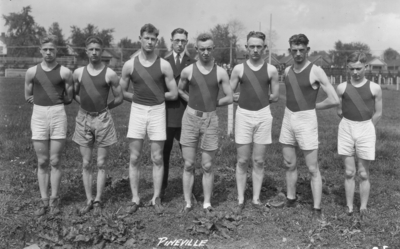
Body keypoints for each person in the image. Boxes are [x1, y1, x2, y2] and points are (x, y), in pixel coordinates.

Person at [278, 34, 339, 221]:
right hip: (288, 117)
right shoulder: (287, 70)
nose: (298, 54)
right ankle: (290, 197)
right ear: (290, 51)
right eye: (294, 50)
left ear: (308, 50)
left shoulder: (316, 70)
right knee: (289, 163)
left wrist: (313, 106)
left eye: (301, 50)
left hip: (306, 119)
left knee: (312, 168)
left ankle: (317, 207)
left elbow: (334, 99)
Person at [119, 24, 178, 214]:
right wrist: (137, 99)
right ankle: (135, 198)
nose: (150, 42)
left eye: (153, 39)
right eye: (147, 38)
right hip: (137, 110)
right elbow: (122, 91)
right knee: (134, 157)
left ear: (157, 41)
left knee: (157, 157)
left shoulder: (163, 65)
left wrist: (157, 99)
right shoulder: (130, 64)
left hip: (157, 111)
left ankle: (156, 198)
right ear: (140, 38)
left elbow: (174, 92)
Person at [178, 33, 233, 213]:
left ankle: (207, 202)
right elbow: (180, 90)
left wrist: (212, 104)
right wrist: (192, 102)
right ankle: (187, 202)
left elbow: (230, 97)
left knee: (208, 165)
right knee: (188, 164)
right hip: (190, 119)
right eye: (202, 49)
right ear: (197, 50)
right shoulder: (188, 71)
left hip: (210, 119)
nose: (206, 52)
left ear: (213, 49)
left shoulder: (220, 72)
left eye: (209, 49)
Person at [230, 31, 280, 214]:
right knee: (242, 160)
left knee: (258, 160)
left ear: (264, 48)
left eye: (259, 46)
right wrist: (235, 96)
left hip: (263, 115)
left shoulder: (271, 70)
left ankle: (256, 198)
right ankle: (241, 198)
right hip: (243, 115)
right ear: (246, 48)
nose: (255, 50)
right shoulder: (239, 69)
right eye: (252, 46)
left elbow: (275, 96)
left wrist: (263, 96)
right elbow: (229, 92)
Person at [72, 36, 123, 215]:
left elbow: (119, 98)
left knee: (101, 162)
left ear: (102, 51)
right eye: (91, 49)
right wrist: (85, 108)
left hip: (103, 120)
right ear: (86, 51)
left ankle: (98, 200)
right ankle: (88, 199)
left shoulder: (110, 74)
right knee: (86, 163)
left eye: (97, 49)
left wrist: (105, 109)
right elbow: (74, 94)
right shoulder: (78, 73)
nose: (94, 52)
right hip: (84, 119)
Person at [24, 35, 73, 216]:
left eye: (51, 49)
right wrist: (37, 102)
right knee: (43, 161)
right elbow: (27, 94)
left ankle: (54, 200)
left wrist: (56, 102)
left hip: (58, 113)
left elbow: (68, 97)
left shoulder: (65, 72)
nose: (48, 52)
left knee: (55, 160)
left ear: (56, 50)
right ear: (40, 50)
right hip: (39, 114)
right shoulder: (32, 71)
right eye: (45, 49)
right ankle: (43, 201)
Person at [336, 51, 382, 219]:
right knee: (349, 172)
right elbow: (339, 110)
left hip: (366, 128)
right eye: (351, 69)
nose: (355, 73)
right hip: (346, 128)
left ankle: (363, 207)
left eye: (358, 68)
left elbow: (378, 113)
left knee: (363, 173)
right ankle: (349, 206)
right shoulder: (342, 87)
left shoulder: (374, 87)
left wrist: (367, 127)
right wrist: (350, 124)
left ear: (366, 67)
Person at [161, 28, 195, 199]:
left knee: (189, 157)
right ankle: (161, 190)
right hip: (166, 115)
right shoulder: (162, 62)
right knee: (163, 155)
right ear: (171, 41)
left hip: (186, 116)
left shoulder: (193, 62)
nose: (180, 44)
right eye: (177, 40)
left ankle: (191, 192)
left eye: (183, 41)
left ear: (186, 42)